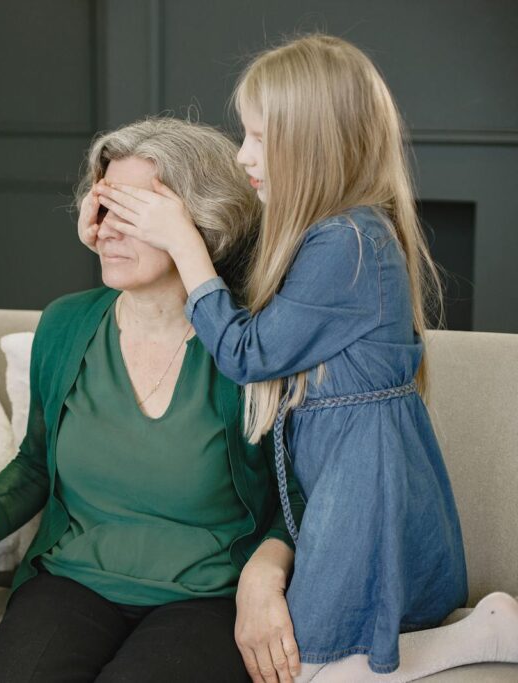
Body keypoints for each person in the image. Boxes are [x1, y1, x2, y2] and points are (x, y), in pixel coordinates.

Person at [93, 34, 518, 682]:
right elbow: (236, 269)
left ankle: (483, 633)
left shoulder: (347, 243)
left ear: (313, 143)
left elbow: (244, 349)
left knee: (307, 663)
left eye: (260, 137)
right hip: (350, 470)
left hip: (363, 479)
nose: (243, 156)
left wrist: (180, 240)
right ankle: (481, 628)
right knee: (307, 657)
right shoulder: (327, 233)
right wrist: (106, 221)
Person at [0, 117, 305, 682]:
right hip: (72, 580)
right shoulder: (67, 324)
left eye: (131, 212)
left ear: (200, 224)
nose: (104, 230)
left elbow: (301, 491)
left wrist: (265, 573)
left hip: (206, 598)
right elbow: (34, 466)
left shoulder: (250, 345)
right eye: (102, 207)